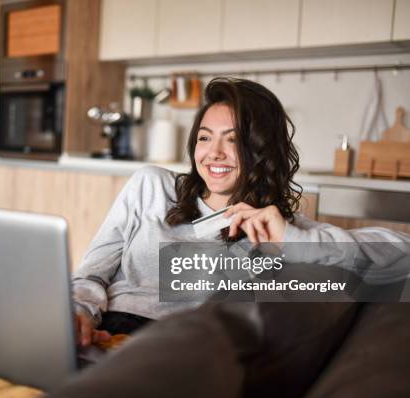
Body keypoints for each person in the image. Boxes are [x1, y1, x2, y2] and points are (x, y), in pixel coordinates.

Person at [73, 77, 409, 347]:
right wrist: (79, 314)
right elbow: (90, 275)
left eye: (232, 141)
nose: (214, 153)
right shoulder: (151, 186)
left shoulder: (275, 229)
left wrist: (294, 239)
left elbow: (401, 252)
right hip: (98, 330)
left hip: (173, 349)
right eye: (205, 138)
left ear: (261, 151)